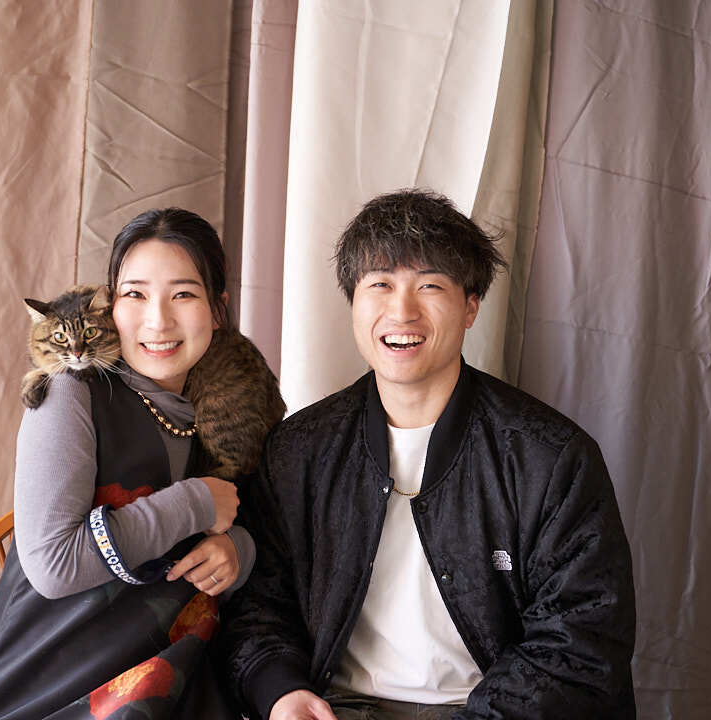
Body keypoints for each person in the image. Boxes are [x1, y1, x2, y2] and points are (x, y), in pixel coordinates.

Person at [219, 189, 636, 719]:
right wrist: (280, 691)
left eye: (430, 285)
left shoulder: (548, 457)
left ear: (470, 306)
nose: (402, 310)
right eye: (380, 285)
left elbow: (581, 637)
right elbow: (258, 607)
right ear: (353, 302)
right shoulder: (299, 450)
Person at [0, 208, 254, 719]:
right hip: (50, 683)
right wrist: (196, 502)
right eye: (135, 295)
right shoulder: (69, 392)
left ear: (218, 311)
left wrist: (236, 550)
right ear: (111, 306)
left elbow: (257, 524)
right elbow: (53, 565)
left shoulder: (228, 406)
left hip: (170, 680)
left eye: (183, 294)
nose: (158, 321)